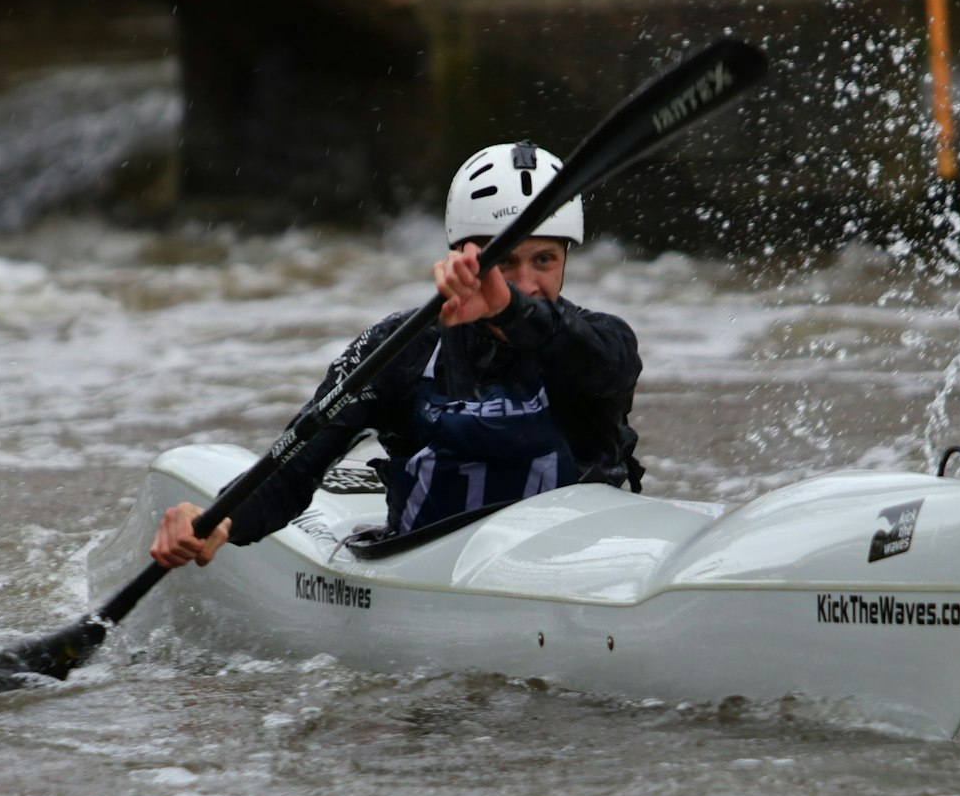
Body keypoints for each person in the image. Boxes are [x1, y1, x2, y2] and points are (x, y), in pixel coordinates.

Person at [150, 141, 643, 569]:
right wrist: (220, 520)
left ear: (566, 259)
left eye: (544, 260)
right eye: (505, 261)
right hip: (429, 569)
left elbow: (604, 367)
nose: (526, 282)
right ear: (463, 256)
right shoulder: (400, 349)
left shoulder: (600, 343)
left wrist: (508, 309)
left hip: (576, 568)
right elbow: (296, 469)